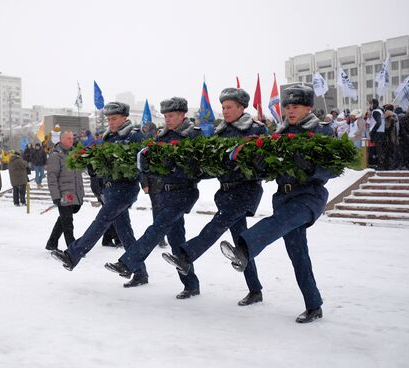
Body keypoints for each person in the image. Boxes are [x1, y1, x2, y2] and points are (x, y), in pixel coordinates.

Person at [218, 85, 333, 323]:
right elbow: (270, 167)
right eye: (287, 107)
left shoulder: (322, 132)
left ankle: (244, 249)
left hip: (308, 196)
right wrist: (259, 161)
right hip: (284, 196)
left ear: (309, 108)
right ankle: (314, 305)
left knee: (278, 222)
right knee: (298, 254)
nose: (290, 111)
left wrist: (309, 166)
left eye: (295, 107)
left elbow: (331, 168)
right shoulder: (278, 134)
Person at [162, 88, 268, 304]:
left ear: (241, 108)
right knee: (241, 245)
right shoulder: (219, 133)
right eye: (223, 107)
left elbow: (265, 165)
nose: (225, 111)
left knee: (216, 226)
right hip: (226, 192)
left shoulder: (256, 130)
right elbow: (211, 165)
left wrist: (241, 165)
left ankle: (186, 256)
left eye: (229, 107)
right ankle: (255, 289)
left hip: (246, 190)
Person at [104, 97, 203, 297]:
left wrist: (175, 167)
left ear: (182, 115)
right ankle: (191, 284)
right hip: (162, 194)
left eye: (171, 115)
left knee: (156, 230)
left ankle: (128, 263)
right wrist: (146, 180)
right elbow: (147, 160)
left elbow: (199, 168)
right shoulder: (162, 137)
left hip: (183, 193)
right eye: (165, 116)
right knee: (176, 241)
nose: (167, 119)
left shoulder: (194, 136)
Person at [51, 102, 149, 288]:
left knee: (101, 221)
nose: (111, 123)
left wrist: (144, 183)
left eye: (114, 119)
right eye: (109, 119)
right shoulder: (108, 137)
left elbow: (142, 162)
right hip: (111, 188)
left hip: (126, 188)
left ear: (124, 117)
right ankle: (140, 273)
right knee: (124, 232)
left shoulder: (135, 136)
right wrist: (93, 169)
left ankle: (73, 255)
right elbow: (104, 165)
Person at [45, 131, 84, 251]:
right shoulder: (55, 156)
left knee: (64, 218)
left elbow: (77, 175)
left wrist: (80, 194)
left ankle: (52, 242)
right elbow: (52, 177)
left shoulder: (74, 154)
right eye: (68, 138)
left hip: (74, 193)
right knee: (68, 222)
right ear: (61, 139)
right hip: (64, 194)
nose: (71, 140)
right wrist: (55, 196)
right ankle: (73, 248)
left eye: (72, 138)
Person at [367, 99, 388, 169]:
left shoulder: (376, 111)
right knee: (380, 150)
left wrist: (373, 131)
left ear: (374, 104)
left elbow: (379, 122)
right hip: (381, 132)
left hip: (377, 133)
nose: (370, 105)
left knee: (378, 150)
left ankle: (380, 166)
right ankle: (381, 164)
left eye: (371, 104)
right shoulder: (380, 111)